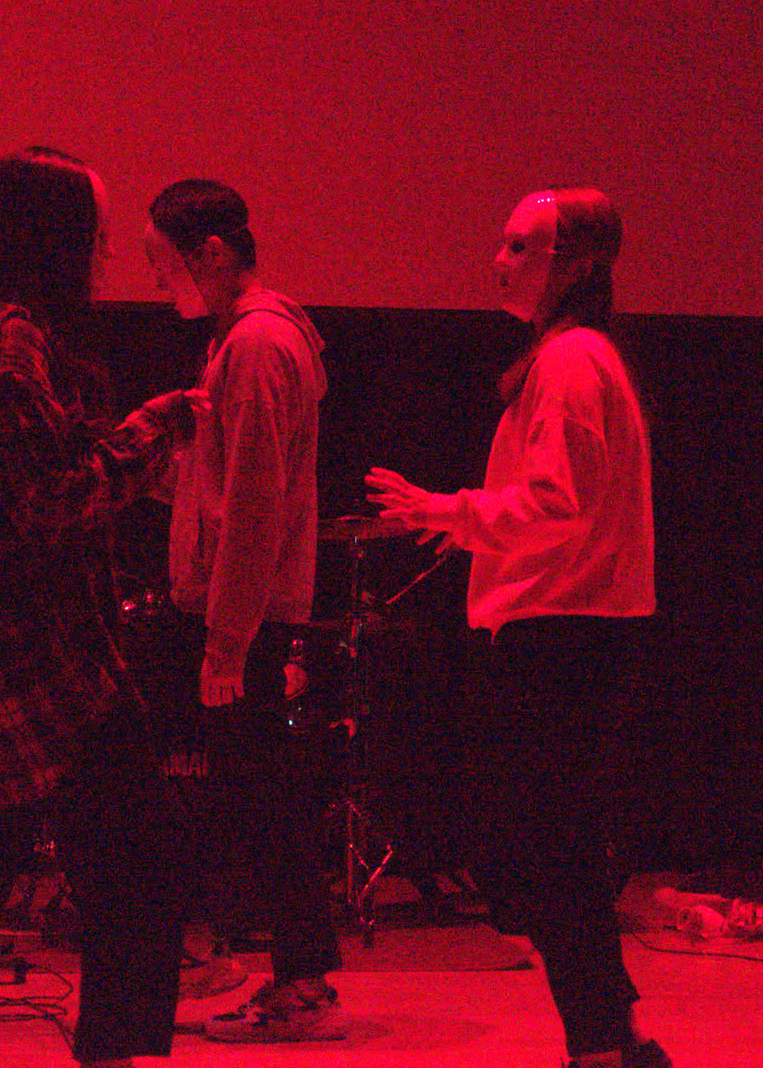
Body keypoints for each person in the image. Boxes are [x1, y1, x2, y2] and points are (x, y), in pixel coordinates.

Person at [0, 147, 201, 1068]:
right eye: (95, 234)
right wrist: (155, 433)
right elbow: (50, 500)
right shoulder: (12, 343)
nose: (105, 254)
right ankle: (115, 1052)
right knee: (132, 867)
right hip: (33, 662)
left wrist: (125, 442)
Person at [367, 187, 672, 1068]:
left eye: (518, 246)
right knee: (550, 845)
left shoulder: (571, 360)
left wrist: (445, 510)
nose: (498, 262)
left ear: (571, 264)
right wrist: (461, 523)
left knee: (540, 848)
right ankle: (613, 1033)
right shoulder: (573, 356)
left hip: (559, 634)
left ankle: (602, 1039)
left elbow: (555, 502)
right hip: (565, 629)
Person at [140, 178, 342, 1042]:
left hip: (242, 620)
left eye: (162, 262)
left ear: (212, 253)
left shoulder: (259, 344)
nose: (157, 280)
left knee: (267, 802)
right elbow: (226, 487)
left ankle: (305, 990)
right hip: (235, 612)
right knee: (250, 797)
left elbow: (256, 502)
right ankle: (256, 969)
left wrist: (226, 642)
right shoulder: (240, 341)